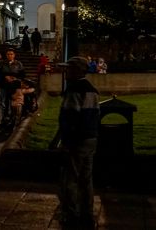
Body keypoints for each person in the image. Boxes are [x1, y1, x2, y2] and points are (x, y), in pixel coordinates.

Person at [55, 56, 100, 228]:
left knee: (70, 178)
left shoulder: (74, 90)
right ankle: (87, 213)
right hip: (90, 139)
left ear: (79, 71)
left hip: (76, 141)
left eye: (69, 68)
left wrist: (65, 141)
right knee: (86, 179)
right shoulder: (92, 90)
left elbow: (70, 117)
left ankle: (71, 214)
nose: (66, 72)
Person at [0, 48, 25, 129]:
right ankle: (4, 120)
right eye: (8, 54)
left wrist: (15, 78)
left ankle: (12, 120)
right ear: (6, 55)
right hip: (4, 86)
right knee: (4, 103)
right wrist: (5, 77)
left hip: (14, 87)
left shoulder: (18, 64)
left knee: (13, 104)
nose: (10, 56)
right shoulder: (1, 63)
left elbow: (22, 75)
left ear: (14, 55)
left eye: (11, 54)